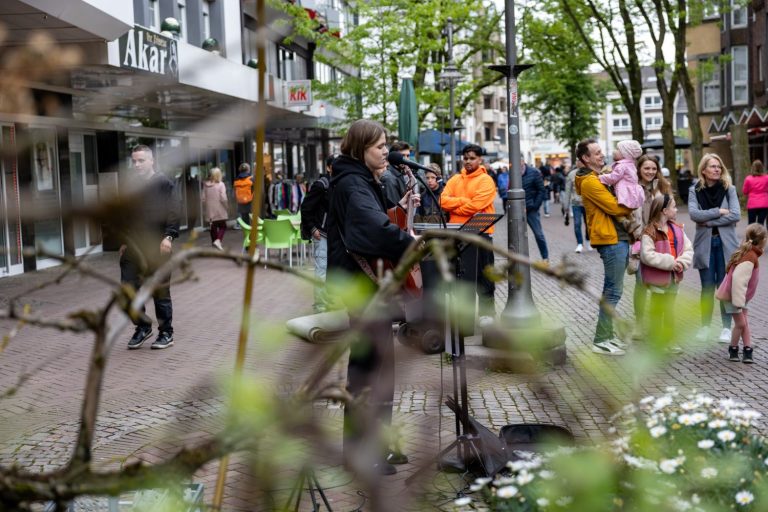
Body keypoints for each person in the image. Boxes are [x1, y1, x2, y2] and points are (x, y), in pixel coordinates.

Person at [326, 120, 416, 476]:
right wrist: (412, 244)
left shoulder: (360, 179)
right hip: (361, 288)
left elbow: (375, 219)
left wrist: (398, 207)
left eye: (385, 145)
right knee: (367, 372)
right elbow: (371, 230)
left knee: (380, 368)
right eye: (379, 146)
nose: (385, 151)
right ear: (360, 148)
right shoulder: (352, 183)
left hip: (368, 287)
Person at [574, 139, 634, 356]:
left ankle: (607, 336)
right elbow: (615, 207)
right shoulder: (590, 182)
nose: (602, 155)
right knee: (612, 291)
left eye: (601, 151)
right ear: (586, 158)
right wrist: (633, 202)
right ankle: (601, 340)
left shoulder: (599, 177)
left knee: (613, 290)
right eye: (597, 153)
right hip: (610, 240)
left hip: (617, 237)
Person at [120, 145, 180, 350]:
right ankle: (143, 327)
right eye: (134, 161)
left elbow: (174, 211)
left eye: (141, 160)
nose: (137, 165)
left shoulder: (164, 183)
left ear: (152, 161)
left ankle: (166, 333)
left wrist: (168, 237)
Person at [441, 144, 498, 320]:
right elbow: (442, 201)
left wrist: (456, 206)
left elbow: (477, 205)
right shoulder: (455, 179)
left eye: (472, 158)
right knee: (459, 275)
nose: (468, 161)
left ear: (480, 159)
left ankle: (487, 315)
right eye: (465, 158)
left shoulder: (486, 180)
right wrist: (464, 202)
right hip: (457, 233)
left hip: (481, 233)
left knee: (485, 275)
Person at [689, 153, 741, 343]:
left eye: (719, 166)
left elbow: (735, 215)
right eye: (712, 166)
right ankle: (705, 327)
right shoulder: (695, 190)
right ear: (703, 170)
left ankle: (726, 328)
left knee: (724, 287)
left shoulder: (729, 189)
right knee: (707, 287)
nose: (717, 169)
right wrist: (718, 212)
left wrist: (709, 222)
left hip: (726, 244)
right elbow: (694, 215)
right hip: (705, 244)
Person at [638, 193, 693, 354]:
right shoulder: (650, 232)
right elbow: (647, 255)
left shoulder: (677, 229)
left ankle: (669, 340)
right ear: (664, 211)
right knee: (657, 310)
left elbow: (688, 249)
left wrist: (681, 262)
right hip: (658, 279)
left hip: (673, 278)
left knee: (670, 310)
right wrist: (670, 262)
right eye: (673, 207)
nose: (676, 210)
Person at [630, 155, 673, 339]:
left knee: (659, 281)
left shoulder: (663, 187)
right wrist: (634, 232)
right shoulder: (631, 187)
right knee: (641, 283)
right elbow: (627, 213)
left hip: (658, 240)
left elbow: (670, 212)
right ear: (639, 169)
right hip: (639, 239)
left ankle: (656, 324)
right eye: (646, 168)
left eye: (654, 169)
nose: (650, 172)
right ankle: (639, 324)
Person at [716, 223, 767, 364]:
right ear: (763, 240)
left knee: (744, 323)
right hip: (734, 297)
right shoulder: (750, 256)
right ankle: (733, 349)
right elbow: (738, 280)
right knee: (741, 324)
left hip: (740, 297)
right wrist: (738, 302)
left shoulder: (750, 253)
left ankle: (747, 349)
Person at [300, 155, 335, 313]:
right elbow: (306, 208)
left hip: (335, 236)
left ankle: (328, 299)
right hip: (322, 234)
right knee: (322, 268)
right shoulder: (321, 185)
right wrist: (313, 228)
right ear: (328, 167)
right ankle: (320, 304)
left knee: (332, 270)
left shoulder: (341, 184)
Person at [599, 140, 645, 236]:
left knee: (618, 210)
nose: (614, 151)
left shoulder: (622, 166)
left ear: (625, 154)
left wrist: (600, 177)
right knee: (627, 210)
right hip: (631, 191)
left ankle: (626, 222)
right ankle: (633, 221)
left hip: (625, 192)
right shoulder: (630, 164)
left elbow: (613, 178)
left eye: (617, 149)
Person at [521, 158, 549, 260]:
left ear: (523, 161)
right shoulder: (513, 173)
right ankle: (520, 259)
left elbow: (541, 190)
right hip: (517, 209)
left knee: (538, 234)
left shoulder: (534, 172)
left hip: (531, 209)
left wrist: (535, 205)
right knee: (517, 236)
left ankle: (545, 258)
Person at [564, 161, 591, 253]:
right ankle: (579, 243)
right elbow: (567, 190)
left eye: (581, 161)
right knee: (577, 224)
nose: (580, 163)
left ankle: (588, 240)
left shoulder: (590, 172)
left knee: (589, 224)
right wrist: (566, 206)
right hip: (576, 203)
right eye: (578, 161)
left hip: (588, 204)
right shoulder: (571, 174)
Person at [202, 167, 229, 251]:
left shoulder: (206, 185)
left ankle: (214, 244)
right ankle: (218, 241)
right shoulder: (221, 184)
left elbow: (203, 199)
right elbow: (223, 198)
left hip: (210, 210)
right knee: (223, 226)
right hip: (220, 209)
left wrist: (206, 207)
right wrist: (227, 206)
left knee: (213, 227)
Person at [379, 140, 411, 208]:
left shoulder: (401, 174)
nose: (406, 159)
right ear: (393, 157)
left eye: (408, 156)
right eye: (402, 156)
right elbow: (394, 209)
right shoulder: (388, 178)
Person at [742, 159, 768, 226]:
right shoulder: (766, 178)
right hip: (764, 203)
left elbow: (745, 191)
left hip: (752, 204)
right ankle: (760, 233)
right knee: (761, 224)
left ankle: (751, 233)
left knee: (751, 224)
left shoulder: (748, 179)